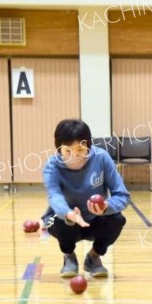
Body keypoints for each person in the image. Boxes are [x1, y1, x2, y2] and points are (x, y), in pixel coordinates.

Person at [42, 119, 130, 277]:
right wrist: (68, 213)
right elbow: (54, 196)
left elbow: (122, 195)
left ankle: (93, 257)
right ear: (59, 149)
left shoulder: (102, 158)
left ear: (89, 146)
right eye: (68, 151)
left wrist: (106, 206)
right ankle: (69, 256)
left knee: (117, 219)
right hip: (67, 221)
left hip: (96, 219)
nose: (75, 156)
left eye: (81, 150)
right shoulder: (52, 166)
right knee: (58, 221)